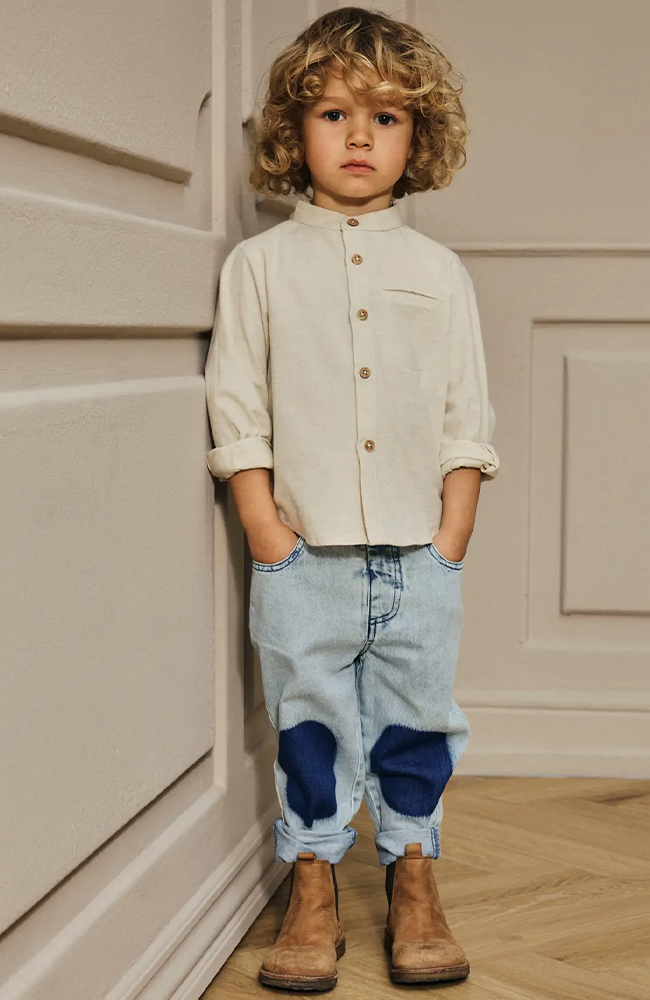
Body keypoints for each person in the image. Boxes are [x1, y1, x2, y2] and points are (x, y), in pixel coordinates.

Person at [204, 6, 500, 991]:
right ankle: (313, 886)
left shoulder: (439, 273)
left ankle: (414, 880)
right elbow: (238, 405)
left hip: (421, 553)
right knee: (309, 722)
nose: (360, 136)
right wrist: (265, 528)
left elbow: (465, 410)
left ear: (418, 135)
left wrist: (451, 533)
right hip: (303, 556)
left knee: (419, 718)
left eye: (385, 116)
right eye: (334, 113)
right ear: (297, 132)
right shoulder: (258, 267)